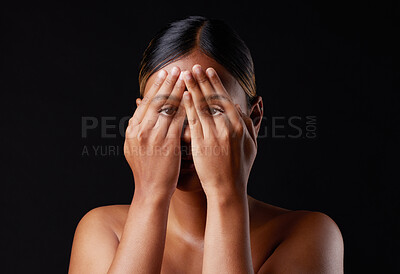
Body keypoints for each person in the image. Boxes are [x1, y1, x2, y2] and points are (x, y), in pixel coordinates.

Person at [69, 16, 344, 273]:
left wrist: (226, 195)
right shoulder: (103, 231)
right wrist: (148, 194)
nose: (187, 134)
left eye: (212, 110)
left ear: (254, 118)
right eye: (166, 110)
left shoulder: (310, 234)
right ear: (139, 121)